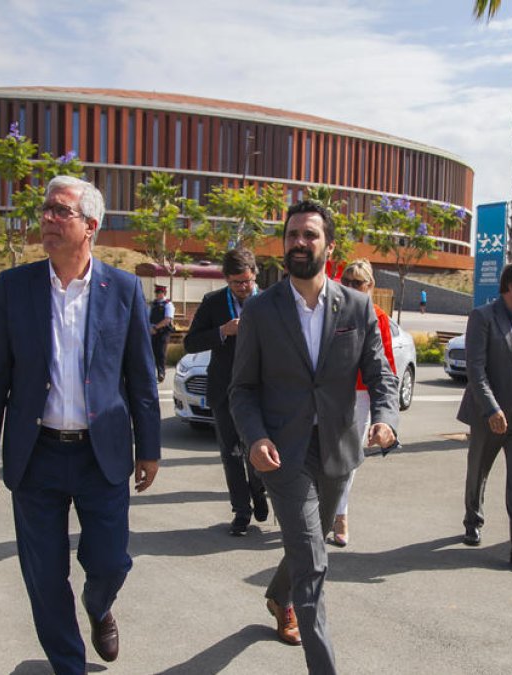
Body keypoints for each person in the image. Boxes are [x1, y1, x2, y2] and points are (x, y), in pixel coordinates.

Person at [0, 175, 161, 675]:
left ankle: (99, 606)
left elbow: (140, 375)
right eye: (46, 210)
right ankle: (69, 666)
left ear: (90, 226)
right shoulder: (15, 287)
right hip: (38, 455)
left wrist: (151, 447)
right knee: (44, 574)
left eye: (61, 211)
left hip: (104, 454)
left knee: (111, 562)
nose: (48, 219)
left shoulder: (121, 289)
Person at [230, 200, 399, 672]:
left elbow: (380, 374)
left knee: (315, 539)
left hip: (338, 449)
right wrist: (256, 436)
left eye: (310, 235)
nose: (299, 243)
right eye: (292, 235)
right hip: (282, 454)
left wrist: (386, 417)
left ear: (329, 245)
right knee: (312, 558)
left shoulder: (358, 307)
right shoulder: (261, 310)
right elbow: (241, 389)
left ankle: (277, 594)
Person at [458, 262, 512, 566]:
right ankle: (473, 520)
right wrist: (492, 407)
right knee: (479, 470)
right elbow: (476, 369)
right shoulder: (483, 317)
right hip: (489, 413)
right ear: (511, 285)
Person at [182, 248, 269, 537]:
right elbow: (190, 343)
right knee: (230, 453)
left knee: (257, 449)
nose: (243, 288)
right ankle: (241, 511)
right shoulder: (214, 302)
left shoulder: (270, 300)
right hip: (225, 391)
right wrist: (222, 331)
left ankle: (258, 490)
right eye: (236, 283)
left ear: (255, 273)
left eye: (247, 281)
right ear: (226, 280)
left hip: (261, 392)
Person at [328, 259, 397, 548]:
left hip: (361, 395)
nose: (352, 287)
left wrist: (386, 415)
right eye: (348, 281)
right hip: (329, 392)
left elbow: (386, 367)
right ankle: (321, 509)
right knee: (323, 453)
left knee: (349, 459)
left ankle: (340, 514)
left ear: (370, 287)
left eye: (359, 282)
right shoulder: (330, 312)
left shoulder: (378, 316)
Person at [149, 284, 175, 383]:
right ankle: (151, 373)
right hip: (152, 331)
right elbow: (148, 317)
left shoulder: (168, 304)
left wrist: (156, 327)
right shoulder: (153, 304)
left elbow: (167, 319)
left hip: (162, 332)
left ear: (164, 293)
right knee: (151, 353)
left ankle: (161, 373)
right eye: (156, 292)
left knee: (160, 353)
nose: (157, 294)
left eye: (159, 292)